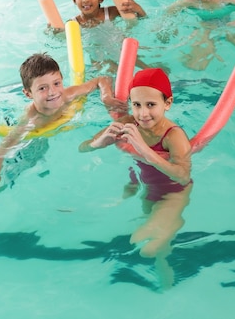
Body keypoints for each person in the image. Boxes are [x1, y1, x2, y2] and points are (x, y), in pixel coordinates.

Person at [0, 53, 124, 227]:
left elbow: (102, 79)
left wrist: (106, 97)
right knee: (12, 173)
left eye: (56, 83)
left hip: (47, 131)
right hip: (29, 136)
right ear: (28, 94)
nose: (52, 92)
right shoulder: (30, 122)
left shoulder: (67, 95)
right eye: (42, 88)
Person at [79, 68, 192, 290]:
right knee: (154, 243)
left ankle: (165, 263)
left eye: (151, 105)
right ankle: (165, 275)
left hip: (174, 193)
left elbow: (182, 175)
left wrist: (145, 151)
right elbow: (82, 148)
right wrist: (99, 142)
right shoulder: (129, 122)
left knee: (146, 245)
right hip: (147, 189)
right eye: (137, 104)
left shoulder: (174, 136)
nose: (142, 113)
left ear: (167, 103)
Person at [66, 0, 156, 75]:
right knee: (115, 75)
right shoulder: (73, 24)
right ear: (74, 0)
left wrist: (138, 9)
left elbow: (142, 20)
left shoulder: (111, 12)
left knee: (149, 69)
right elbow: (63, 39)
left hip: (122, 48)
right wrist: (52, 31)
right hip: (99, 59)